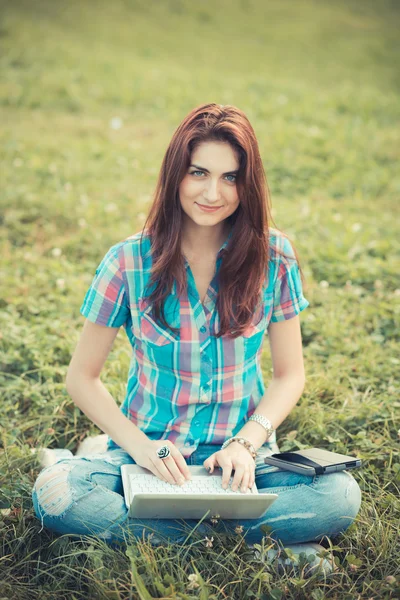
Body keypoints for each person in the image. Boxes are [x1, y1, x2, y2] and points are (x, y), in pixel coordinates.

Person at [32, 103, 361, 573]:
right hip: (145, 459)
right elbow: (82, 378)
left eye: (230, 178)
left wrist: (246, 444)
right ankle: (255, 544)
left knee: (340, 495)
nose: (213, 192)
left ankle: (171, 534)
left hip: (241, 465)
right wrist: (144, 449)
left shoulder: (275, 256)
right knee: (57, 494)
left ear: (248, 185)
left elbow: (291, 375)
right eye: (199, 173)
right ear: (176, 176)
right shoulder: (127, 262)